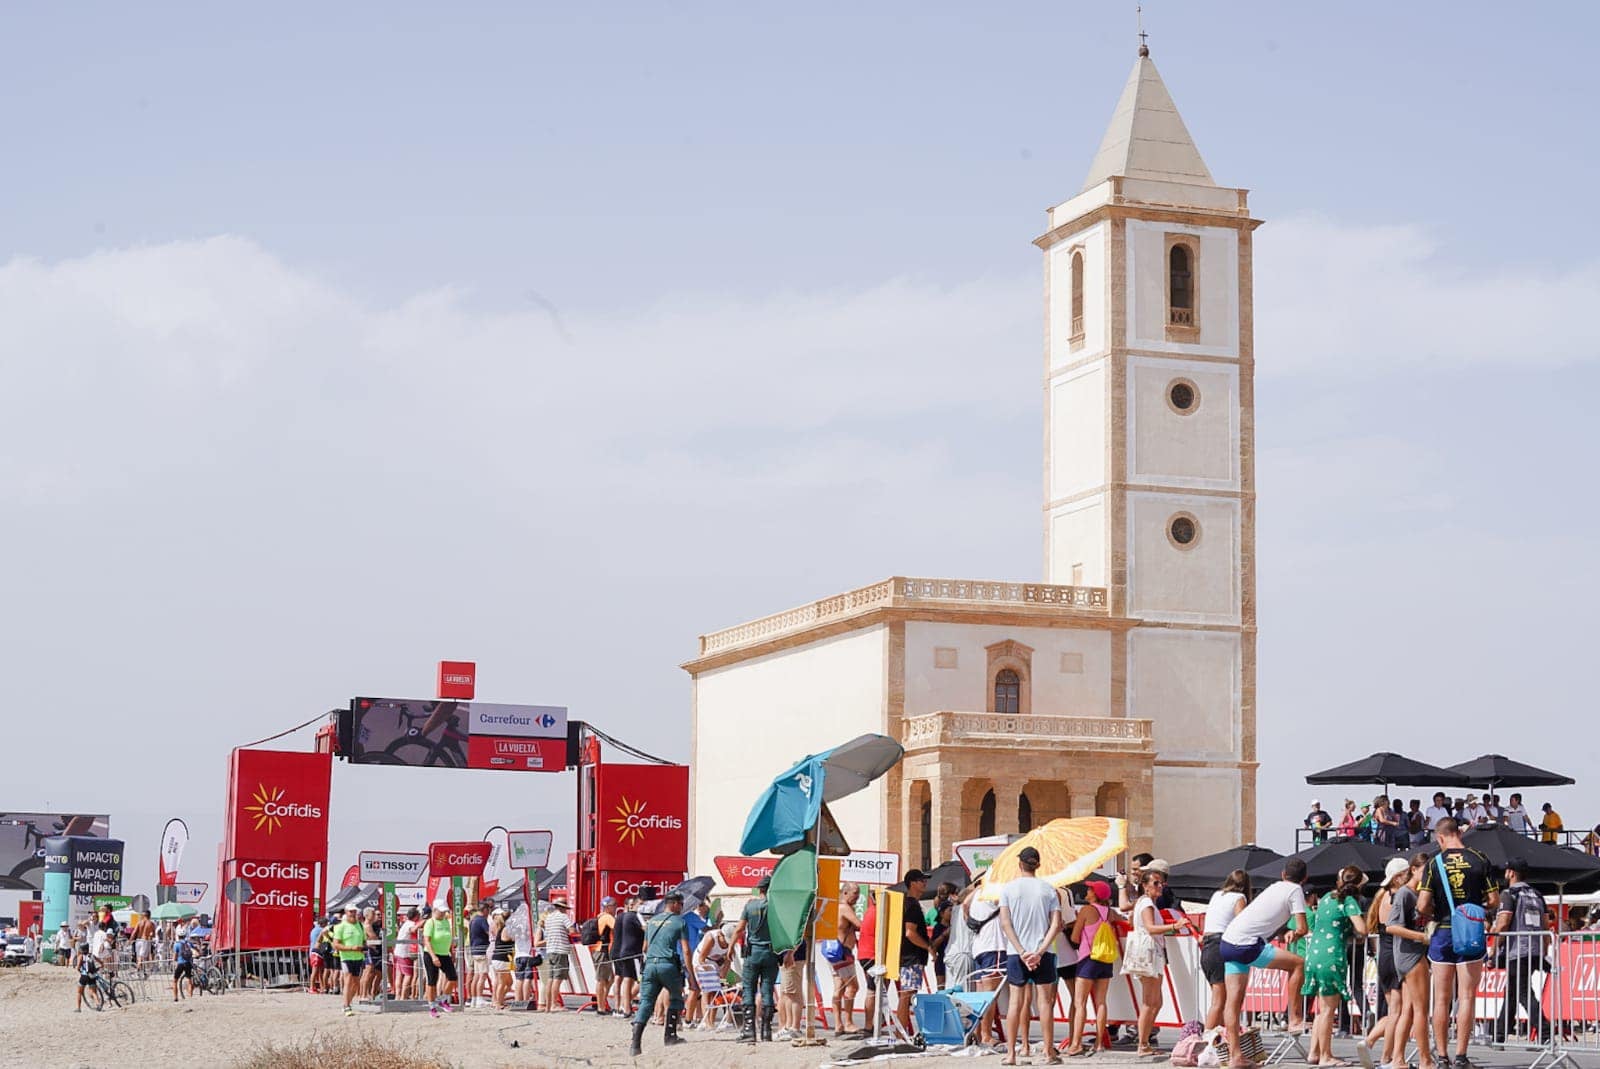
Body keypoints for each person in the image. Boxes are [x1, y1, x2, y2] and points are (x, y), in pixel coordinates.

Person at [1417, 817, 1501, 1069]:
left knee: (1441, 999)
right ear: (1458, 833)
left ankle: (1442, 1057)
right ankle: (1461, 1056)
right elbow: (1494, 900)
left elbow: (1421, 904)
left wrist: (1436, 912)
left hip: (1443, 930)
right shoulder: (1479, 858)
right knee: (1466, 996)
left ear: (1440, 837)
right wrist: (1477, 910)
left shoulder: (1434, 863)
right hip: (1471, 931)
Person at [1220, 857, 1311, 1067]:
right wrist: (1294, 934)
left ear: (1282, 874)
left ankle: (1235, 1057)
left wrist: (1284, 931)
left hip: (1228, 941)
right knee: (1298, 963)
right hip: (1247, 944)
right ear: (1304, 878)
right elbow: (1303, 927)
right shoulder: (1295, 890)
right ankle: (1294, 1017)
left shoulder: (1274, 887)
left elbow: (1267, 918)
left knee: (1232, 1003)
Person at [998, 847, 1064, 1066]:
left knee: (1015, 1002)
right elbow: (1056, 924)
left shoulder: (1008, 889)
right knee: (1045, 1001)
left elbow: (1005, 923)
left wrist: (1021, 950)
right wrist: (1040, 950)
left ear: (1020, 864)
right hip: (1043, 951)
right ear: (1038, 865)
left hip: (1017, 952)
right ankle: (1048, 1052)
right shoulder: (1049, 890)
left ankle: (1011, 1053)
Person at [1302, 865, 1369, 1067]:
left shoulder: (1326, 898)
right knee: (1329, 1010)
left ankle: (1314, 1052)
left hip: (1314, 953)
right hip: (1332, 956)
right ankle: (1326, 1055)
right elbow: (1362, 929)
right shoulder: (1348, 901)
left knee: (1322, 1009)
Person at [1126, 867, 1190, 1057]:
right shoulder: (1146, 903)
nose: (1159, 886)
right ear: (1145, 886)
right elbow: (1150, 927)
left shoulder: (1144, 903)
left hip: (1149, 950)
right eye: (1155, 883)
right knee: (1150, 1001)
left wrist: (1169, 929)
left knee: (1155, 1001)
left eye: (1161, 883)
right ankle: (1143, 1043)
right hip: (1149, 951)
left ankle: (1144, 1042)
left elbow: (1141, 925)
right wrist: (1174, 926)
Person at [629, 890, 699, 1056]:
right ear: (674, 904)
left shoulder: (652, 921)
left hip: (650, 965)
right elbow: (686, 950)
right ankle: (670, 1035)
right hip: (668, 965)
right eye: (681, 904)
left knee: (646, 1002)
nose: (682, 907)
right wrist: (691, 975)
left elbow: (645, 948)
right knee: (676, 998)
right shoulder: (679, 922)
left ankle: (635, 1043)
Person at [1491, 857, 1546, 1044]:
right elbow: (1546, 927)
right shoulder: (1537, 895)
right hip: (1534, 948)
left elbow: (1503, 923)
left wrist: (1493, 949)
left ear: (1511, 873)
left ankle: (1545, 1031)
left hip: (1517, 949)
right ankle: (1499, 1034)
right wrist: (1543, 953)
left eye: (1506, 871)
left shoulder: (1509, 894)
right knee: (1513, 992)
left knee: (1522, 992)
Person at [1361, 859, 1410, 1065]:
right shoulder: (1397, 897)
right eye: (1407, 873)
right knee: (1397, 1011)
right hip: (1395, 955)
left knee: (1394, 1010)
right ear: (1398, 877)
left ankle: (1374, 1044)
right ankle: (1385, 1055)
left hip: (1385, 955)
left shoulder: (1381, 897)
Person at [1064, 879, 1120, 1056]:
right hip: (1105, 959)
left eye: (1089, 890)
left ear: (1095, 894)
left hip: (1088, 959)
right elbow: (1124, 920)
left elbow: (1074, 938)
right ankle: (1099, 1043)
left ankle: (1076, 1043)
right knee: (1101, 1002)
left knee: (1080, 1002)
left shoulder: (1086, 910)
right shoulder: (1109, 912)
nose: (1086, 892)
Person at [730, 874, 780, 1043]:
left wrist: (730, 948)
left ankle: (749, 1030)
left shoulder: (750, 906)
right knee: (767, 989)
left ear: (760, 889)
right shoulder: (776, 907)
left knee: (749, 989)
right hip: (771, 952)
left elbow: (739, 930)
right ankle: (767, 1032)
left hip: (753, 953)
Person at [1202, 870, 1251, 1031]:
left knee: (1219, 1000)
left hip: (1208, 946)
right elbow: (1242, 923)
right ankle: (1204, 1042)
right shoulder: (1239, 898)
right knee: (1220, 1001)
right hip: (1220, 946)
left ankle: (1222, 1040)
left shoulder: (1217, 895)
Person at [892, 869, 934, 1036]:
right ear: (912, 883)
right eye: (921, 880)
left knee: (908, 993)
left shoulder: (907, 903)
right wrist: (927, 946)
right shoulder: (912, 905)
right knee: (907, 994)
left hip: (908, 956)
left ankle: (901, 1030)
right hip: (911, 957)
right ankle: (900, 1031)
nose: (925, 883)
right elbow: (910, 932)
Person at [968, 882, 1006, 1048]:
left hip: (979, 946)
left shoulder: (976, 893)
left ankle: (977, 1032)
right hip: (994, 945)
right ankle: (986, 1034)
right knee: (991, 994)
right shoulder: (995, 890)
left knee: (981, 995)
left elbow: (963, 905)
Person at [693, 921, 735, 1030]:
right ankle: (707, 1022)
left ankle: (712, 1020)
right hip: (703, 962)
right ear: (721, 935)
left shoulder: (731, 942)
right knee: (707, 989)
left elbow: (728, 960)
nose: (727, 944)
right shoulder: (711, 938)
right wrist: (712, 973)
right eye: (725, 941)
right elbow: (701, 959)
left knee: (716, 991)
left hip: (716, 964)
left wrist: (722, 977)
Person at [421, 902, 458, 1016]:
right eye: (440, 911)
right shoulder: (430, 922)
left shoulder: (446, 921)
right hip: (431, 954)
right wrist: (433, 956)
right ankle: (432, 1007)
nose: (442, 914)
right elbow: (426, 940)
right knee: (432, 981)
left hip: (444, 953)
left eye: (444, 912)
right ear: (434, 910)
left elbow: (449, 937)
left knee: (453, 977)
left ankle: (443, 999)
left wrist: (451, 951)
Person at [330, 906, 368, 1017]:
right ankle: (347, 1006)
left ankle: (347, 1003)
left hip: (358, 957)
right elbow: (336, 944)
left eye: (355, 911)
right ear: (346, 912)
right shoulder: (340, 926)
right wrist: (351, 948)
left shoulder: (360, 925)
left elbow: (364, 940)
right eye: (351, 911)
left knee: (356, 984)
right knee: (348, 980)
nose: (353, 913)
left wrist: (364, 947)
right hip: (346, 957)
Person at [538, 896, 573, 1013]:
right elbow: (572, 931)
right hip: (560, 949)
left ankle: (548, 1005)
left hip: (550, 950)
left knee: (550, 979)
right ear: (563, 908)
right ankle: (553, 1004)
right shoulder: (563, 917)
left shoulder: (548, 918)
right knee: (557, 979)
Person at [610, 895, 644, 1018]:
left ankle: (619, 1006)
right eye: (640, 904)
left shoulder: (620, 917)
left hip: (617, 950)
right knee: (632, 979)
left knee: (620, 978)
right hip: (630, 951)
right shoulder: (634, 917)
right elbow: (644, 929)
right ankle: (626, 1005)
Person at [589, 896, 616, 1014]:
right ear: (608, 907)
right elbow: (618, 928)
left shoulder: (600, 917)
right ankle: (601, 1007)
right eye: (614, 905)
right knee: (602, 979)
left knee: (609, 979)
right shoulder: (608, 917)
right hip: (602, 951)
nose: (616, 908)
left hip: (598, 950)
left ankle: (602, 1003)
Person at [507, 901, 535, 1009]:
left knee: (519, 979)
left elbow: (512, 938)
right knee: (527, 978)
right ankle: (526, 1000)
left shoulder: (516, 925)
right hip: (528, 954)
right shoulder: (530, 924)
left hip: (518, 954)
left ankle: (518, 1001)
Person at [487, 907, 514, 1009]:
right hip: (502, 958)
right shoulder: (505, 929)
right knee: (503, 983)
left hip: (499, 958)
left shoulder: (501, 928)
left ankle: (497, 1000)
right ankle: (498, 1002)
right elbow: (506, 939)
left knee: (502, 982)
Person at [466, 901, 492, 1006]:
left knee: (476, 975)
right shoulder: (482, 920)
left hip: (474, 949)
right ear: (485, 910)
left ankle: (474, 999)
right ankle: (479, 998)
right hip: (481, 950)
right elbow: (489, 933)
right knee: (482, 975)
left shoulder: (473, 920)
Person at [75, 942, 101, 1012]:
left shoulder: (81, 956)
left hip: (84, 975)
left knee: (79, 992)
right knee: (93, 992)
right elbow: (101, 962)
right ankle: (98, 1005)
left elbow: (78, 968)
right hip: (92, 975)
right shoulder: (92, 955)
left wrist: (81, 972)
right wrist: (100, 967)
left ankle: (78, 1008)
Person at [172, 928, 196, 1002]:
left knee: (175, 981)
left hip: (180, 963)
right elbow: (194, 950)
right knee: (189, 980)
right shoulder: (189, 943)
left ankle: (175, 997)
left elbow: (175, 957)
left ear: (178, 936)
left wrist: (174, 960)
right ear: (185, 935)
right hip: (188, 963)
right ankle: (190, 996)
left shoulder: (177, 944)